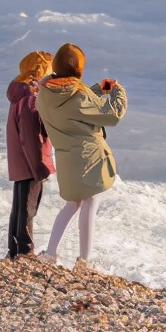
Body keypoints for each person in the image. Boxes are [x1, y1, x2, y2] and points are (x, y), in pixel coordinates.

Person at [35, 42, 127, 265]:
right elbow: (111, 115)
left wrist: (102, 87)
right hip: (89, 157)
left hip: (66, 158)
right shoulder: (78, 97)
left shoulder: (44, 94)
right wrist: (117, 90)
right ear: (79, 70)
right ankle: (84, 261)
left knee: (72, 205)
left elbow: (82, 96)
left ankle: (50, 253)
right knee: (90, 204)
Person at [5, 50, 55, 258]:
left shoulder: (20, 94)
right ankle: (25, 252)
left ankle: (14, 250)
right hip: (30, 161)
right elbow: (30, 136)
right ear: (39, 72)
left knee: (19, 207)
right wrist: (39, 166)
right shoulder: (30, 98)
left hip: (20, 161)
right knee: (28, 209)